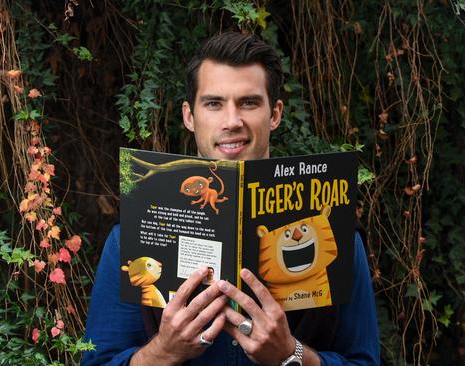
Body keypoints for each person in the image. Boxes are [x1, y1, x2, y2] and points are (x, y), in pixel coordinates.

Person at [82, 32, 380, 366]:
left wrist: (292, 356)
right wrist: (163, 351)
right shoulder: (130, 238)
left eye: (249, 103)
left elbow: (364, 361)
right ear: (189, 116)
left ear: (276, 114)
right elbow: (97, 361)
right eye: (214, 103)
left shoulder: (334, 236)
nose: (232, 121)